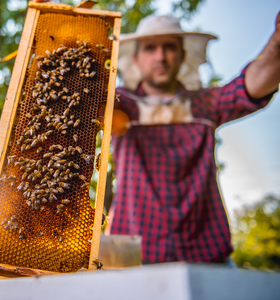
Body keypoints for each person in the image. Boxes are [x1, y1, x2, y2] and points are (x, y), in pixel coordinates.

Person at [106, 13, 280, 264]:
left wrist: (277, 43)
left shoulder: (206, 103)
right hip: (131, 254)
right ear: (136, 58)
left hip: (205, 254)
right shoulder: (120, 103)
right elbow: (78, 98)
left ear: (183, 55)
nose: (160, 57)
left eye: (169, 47)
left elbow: (251, 86)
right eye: (151, 48)